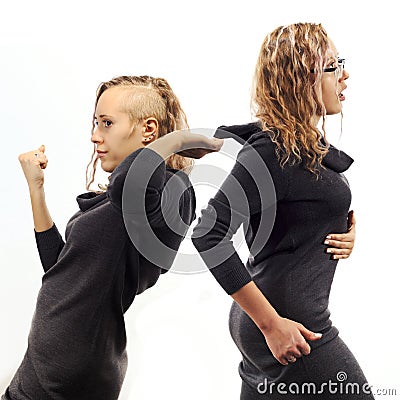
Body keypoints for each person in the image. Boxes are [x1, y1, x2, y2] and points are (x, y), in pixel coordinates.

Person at [2, 75, 223, 400]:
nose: (95, 136)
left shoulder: (172, 190)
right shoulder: (114, 200)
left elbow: (129, 187)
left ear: (148, 129)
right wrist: (37, 190)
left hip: (74, 375)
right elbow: (60, 269)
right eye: (95, 123)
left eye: (106, 123)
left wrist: (174, 141)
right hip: (41, 367)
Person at [192, 23, 373, 399]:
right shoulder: (272, 152)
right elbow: (208, 233)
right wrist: (271, 325)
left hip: (274, 320)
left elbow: (324, 174)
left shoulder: (295, 144)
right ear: (304, 77)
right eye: (333, 65)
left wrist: (340, 225)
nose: (345, 74)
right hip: (291, 326)